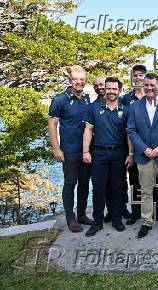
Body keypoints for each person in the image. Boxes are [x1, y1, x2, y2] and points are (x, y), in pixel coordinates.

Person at [128, 73, 158, 238]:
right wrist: (144, 149)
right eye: (146, 85)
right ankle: (147, 222)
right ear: (143, 86)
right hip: (144, 156)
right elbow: (131, 130)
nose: (149, 88)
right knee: (146, 191)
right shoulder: (135, 106)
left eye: (152, 85)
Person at [82, 77, 134, 236]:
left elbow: (129, 134)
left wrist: (131, 154)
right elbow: (88, 130)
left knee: (117, 187)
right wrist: (85, 151)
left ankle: (117, 219)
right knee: (98, 188)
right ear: (105, 89)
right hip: (99, 153)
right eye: (108, 88)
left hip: (119, 153)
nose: (111, 91)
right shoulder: (94, 108)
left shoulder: (126, 110)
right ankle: (97, 222)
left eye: (114, 89)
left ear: (119, 91)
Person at [48, 65, 92, 233]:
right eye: (75, 79)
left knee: (84, 184)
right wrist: (56, 149)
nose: (79, 82)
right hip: (69, 150)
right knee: (70, 184)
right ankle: (70, 218)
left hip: (86, 150)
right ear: (70, 80)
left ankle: (81, 214)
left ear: (85, 81)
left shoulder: (87, 99)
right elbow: (52, 125)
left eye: (82, 80)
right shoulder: (60, 99)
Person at [121, 64, 155, 225]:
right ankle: (136, 213)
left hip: (152, 147)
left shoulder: (154, 97)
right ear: (132, 77)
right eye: (136, 75)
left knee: (153, 181)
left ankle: (155, 212)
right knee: (134, 181)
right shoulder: (126, 99)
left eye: (142, 75)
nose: (138, 78)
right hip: (133, 146)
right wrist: (131, 152)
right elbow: (128, 127)